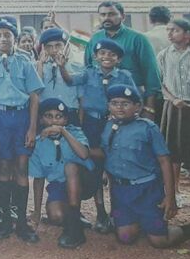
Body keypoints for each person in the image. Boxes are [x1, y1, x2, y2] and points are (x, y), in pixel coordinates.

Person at [97, 84, 190, 248]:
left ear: (137, 106)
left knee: (160, 241)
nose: (119, 107)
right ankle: (144, 222)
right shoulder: (107, 127)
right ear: (108, 106)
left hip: (148, 191)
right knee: (125, 236)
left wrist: (170, 197)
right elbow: (106, 153)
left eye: (125, 103)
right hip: (122, 192)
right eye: (114, 103)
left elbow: (165, 161)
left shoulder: (148, 128)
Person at [58, 38, 136, 234]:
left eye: (111, 54)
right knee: (96, 167)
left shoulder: (125, 76)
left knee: (115, 167)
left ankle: (118, 212)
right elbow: (69, 80)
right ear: (96, 56)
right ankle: (101, 212)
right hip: (92, 124)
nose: (106, 57)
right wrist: (61, 67)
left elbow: (135, 99)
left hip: (116, 124)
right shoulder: (89, 72)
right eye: (102, 53)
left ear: (118, 59)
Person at [0, 19, 43, 242]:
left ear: (14, 37)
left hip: (22, 117)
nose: (3, 38)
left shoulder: (25, 61)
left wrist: (32, 128)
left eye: (7, 34)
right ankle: (5, 219)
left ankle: (21, 222)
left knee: (22, 167)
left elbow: (34, 96)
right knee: (3, 166)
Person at [30, 98, 95, 248]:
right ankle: (75, 217)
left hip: (84, 182)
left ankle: (74, 231)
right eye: (48, 116)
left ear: (66, 119)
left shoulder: (75, 133)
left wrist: (64, 132)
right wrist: (37, 212)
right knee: (56, 216)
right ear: (41, 119)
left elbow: (84, 154)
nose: (54, 121)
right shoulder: (39, 143)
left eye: (59, 117)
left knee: (70, 167)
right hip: (60, 186)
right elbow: (38, 179)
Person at [84, 1, 161, 122]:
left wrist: (149, 108)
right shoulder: (95, 38)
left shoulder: (137, 38)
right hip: (99, 109)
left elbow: (151, 73)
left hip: (129, 106)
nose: (107, 18)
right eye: (103, 15)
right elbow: (88, 67)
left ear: (123, 16)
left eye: (112, 14)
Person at [157, 18, 190, 207]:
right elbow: (161, 84)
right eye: (169, 30)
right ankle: (175, 191)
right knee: (174, 149)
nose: (170, 34)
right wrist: (174, 99)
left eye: (175, 30)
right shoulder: (164, 55)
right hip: (173, 108)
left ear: (187, 34)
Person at [36, 28, 81, 125]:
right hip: (46, 115)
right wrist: (40, 64)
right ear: (43, 48)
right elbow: (37, 91)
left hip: (70, 114)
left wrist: (80, 121)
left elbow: (82, 98)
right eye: (49, 46)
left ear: (66, 46)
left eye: (58, 45)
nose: (54, 50)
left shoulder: (77, 67)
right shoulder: (37, 66)